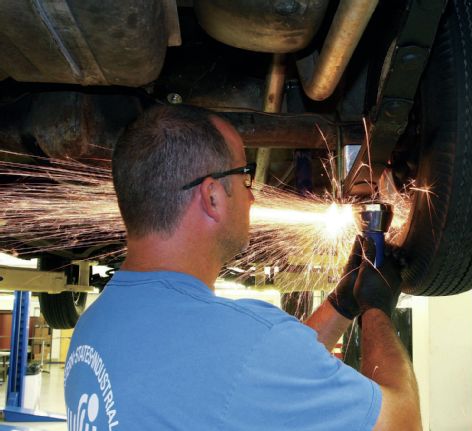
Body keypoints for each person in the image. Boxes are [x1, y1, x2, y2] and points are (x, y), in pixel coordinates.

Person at [63, 104, 421, 430]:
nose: (252, 196)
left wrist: (342, 304)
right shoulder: (245, 344)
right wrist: (377, 309)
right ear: (212, 197)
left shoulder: (94, 326)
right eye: (244, 176)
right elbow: (401, 421)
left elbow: (262, 372)